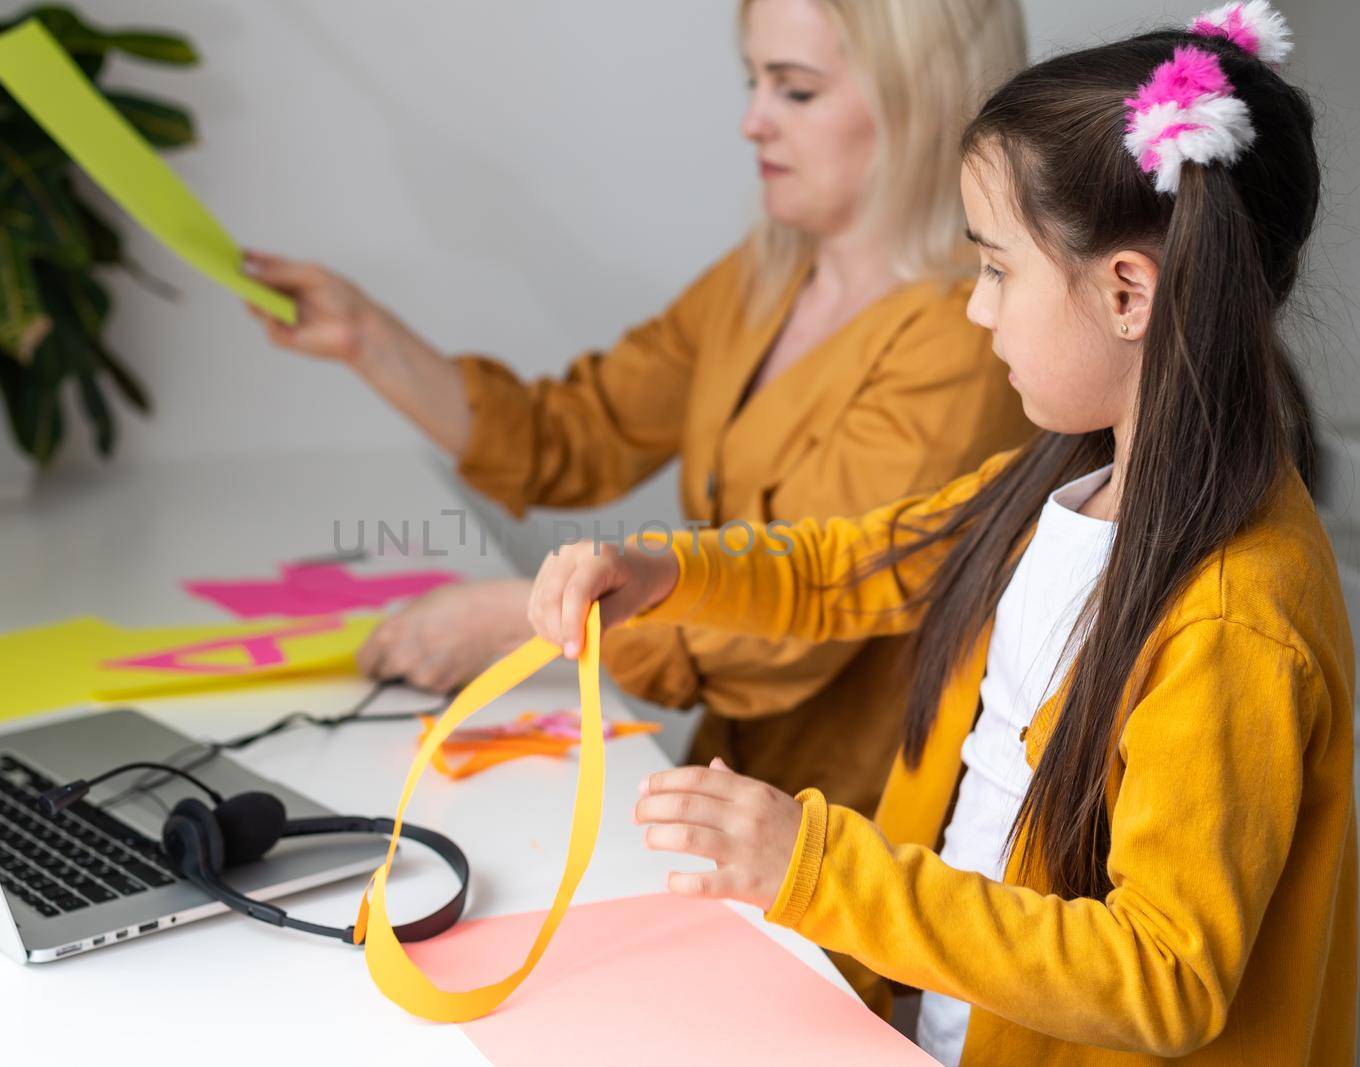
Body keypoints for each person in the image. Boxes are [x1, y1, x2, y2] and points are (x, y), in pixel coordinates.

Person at [527, 4, 1355, 1062]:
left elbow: (1163, 974)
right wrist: (663, 570)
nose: (976, 309)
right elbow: (846, 568)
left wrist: (814, 865)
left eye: (997, 268)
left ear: (1125, 291)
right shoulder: (1065, 480)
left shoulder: (1237, 618)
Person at [244, 0, 1032, 816]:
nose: (751, 122)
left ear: (924, 100)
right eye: (752, 82)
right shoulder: (764, 276)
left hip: (858, 839)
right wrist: (365, 337)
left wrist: (521, 617)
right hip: (731, 794)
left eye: (794, 91)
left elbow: (795, 619)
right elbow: (575, 437)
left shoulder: (963, 340)